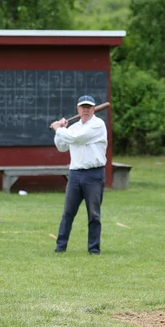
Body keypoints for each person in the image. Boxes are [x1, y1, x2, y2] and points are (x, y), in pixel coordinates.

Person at [50, 95, 108, 255]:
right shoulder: (73, 127)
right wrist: (60, 131)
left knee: (94, 214)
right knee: (68, 213)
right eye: (83, 107)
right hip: (75, 175)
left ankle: (94, 249)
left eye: (89, 107)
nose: (86, 110)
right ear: (78, 109)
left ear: (94, 109)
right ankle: (60, 247)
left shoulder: (98, 125)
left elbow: (77, 139)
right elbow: (62, 147)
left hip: (94, 174)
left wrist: (59, 129)